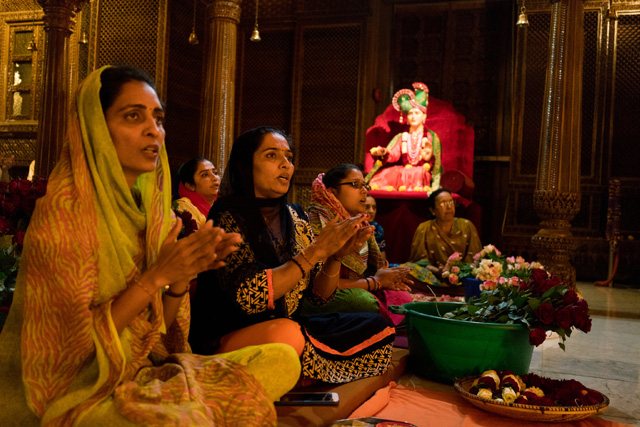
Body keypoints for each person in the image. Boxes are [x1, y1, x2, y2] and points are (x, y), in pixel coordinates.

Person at [0, 66, 299, 426]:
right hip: (79, 389)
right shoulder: (63, 220)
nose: (152, 131)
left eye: (157, 119)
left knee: (281, 359)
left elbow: (158, 339)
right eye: (132, 116)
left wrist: (177, 281)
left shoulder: (155, 218)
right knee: (181, 420)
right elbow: (70, 355)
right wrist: (155, 277)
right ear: (95, 127)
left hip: (144, 371)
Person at [189, 127, 396, 384]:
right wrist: (317, 251)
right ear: (246, 165)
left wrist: (335, 256)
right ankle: (284, 372)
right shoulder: (227, 215)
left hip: (287, 324)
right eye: (271, 156)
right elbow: (251, 297)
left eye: (288, 157)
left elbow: (317, 295)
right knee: (289, 335)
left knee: (375, 326)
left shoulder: (295, 215)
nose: (285, 165)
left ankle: (290, 372)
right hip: (230, 333)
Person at [301, 164, 412, 323]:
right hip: (318, 297)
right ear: (332, 192)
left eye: (364, 185)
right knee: (365, 302)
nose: (364, 191)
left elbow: (370, 273)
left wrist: (387, 279)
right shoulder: (317, 223)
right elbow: (316, 288)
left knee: (402, 298)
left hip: (361, 286)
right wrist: (375, 282)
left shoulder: (361, 225)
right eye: (355, 184)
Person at [366, 82, 442, 192]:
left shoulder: (431, 137)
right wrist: (384, 152)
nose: (413, 116)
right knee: (383, 176)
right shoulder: (402, 136)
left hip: (421, 173)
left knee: (418, 172)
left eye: (417, 113)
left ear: (424, 116)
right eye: (410, 114)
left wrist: (428, 156)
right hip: (403, 172)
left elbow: (436, 165)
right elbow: (394, 154)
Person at [405, 188, 482, 287]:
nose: (449, 206)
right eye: (443, 203)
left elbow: (473, 258)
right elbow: (420, 261)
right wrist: (438, 271)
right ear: (433, 210)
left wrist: (456, 272)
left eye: (451, 202)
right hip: (433, 276)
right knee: (408, 268)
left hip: (461, 276)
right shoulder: (424, 228)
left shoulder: (466, 226)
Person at [174, 156, 220, 231]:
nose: (214, 178)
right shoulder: (183, 207)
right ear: (190, 186)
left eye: (215, 173)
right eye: (205, 175)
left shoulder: (223, 204)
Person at [365, 194, 387, 265]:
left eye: (374, 207)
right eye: (367, 207)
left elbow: (382, 255)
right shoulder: (354, 227)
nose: (371, 211)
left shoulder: (377, 228)